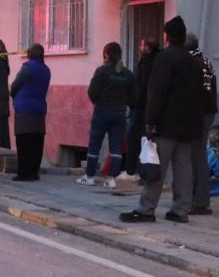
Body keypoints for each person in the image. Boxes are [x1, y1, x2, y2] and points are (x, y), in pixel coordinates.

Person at [121, 16, 206, 224]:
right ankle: (181, 210)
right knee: (183, 168)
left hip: (166, 124)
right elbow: (200, 95)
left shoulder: (164, 59)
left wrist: (151, 121)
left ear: (166, 37)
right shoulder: (194, 62)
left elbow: (156, 92)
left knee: (155, 166)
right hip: (188, 125)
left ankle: (146, 208)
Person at [77, 42, 135, 189]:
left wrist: (98, 102)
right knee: (116, 146)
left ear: (106, 55)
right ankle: (111, 178)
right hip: (119, 113)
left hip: (102, 111)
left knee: (95, 143)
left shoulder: (102, 71)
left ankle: (89, 176)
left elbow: (92, 91)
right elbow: (134, 96)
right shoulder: (127, 74)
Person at [187, 32, 219, 215]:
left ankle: (198, 200)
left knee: (196, 157)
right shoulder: (205, 61)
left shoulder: (192, 64)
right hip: (208, 112)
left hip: (199, 114)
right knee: (199, 155)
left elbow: (195, 92)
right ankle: (199, 199)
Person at [9, 43, 51, 181]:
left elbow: (15, 85)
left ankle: (24, 173)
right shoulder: (46, 69)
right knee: (37, 141)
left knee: (24, 141)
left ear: (29, 54)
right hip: (39, 108)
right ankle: (34, 172)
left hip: (24, 108)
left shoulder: (28, 68)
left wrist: (13, 95)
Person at [123, 33, 160, 177]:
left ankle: (133, 170)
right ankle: (144, 170)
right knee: (146, 139)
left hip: (142, 107)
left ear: (148, 48)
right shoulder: (159, 61)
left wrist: (134, 103)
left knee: (133, 137)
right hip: (152, 106)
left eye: (142, 45)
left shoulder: (146, 63)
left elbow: (142, 86)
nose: (140, 48)